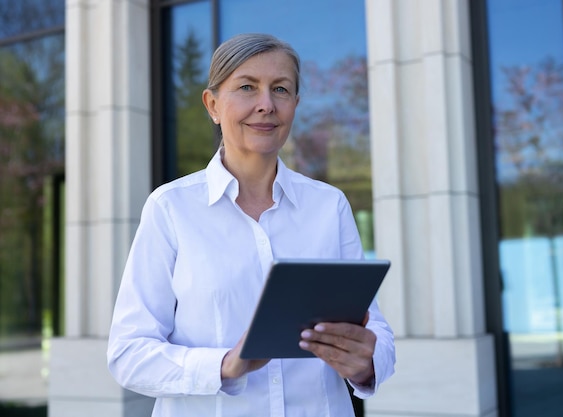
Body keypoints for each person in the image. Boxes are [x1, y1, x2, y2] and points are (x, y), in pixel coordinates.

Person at [107, 33, 395, 417]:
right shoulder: (171, 208)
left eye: (281, 89)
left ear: (295, 104)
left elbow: (375, 329)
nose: (266, 105)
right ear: (212, 104)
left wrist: (367, 361)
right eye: (247, 87)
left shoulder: (330, 206)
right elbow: (128, 353)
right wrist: (224, 365)